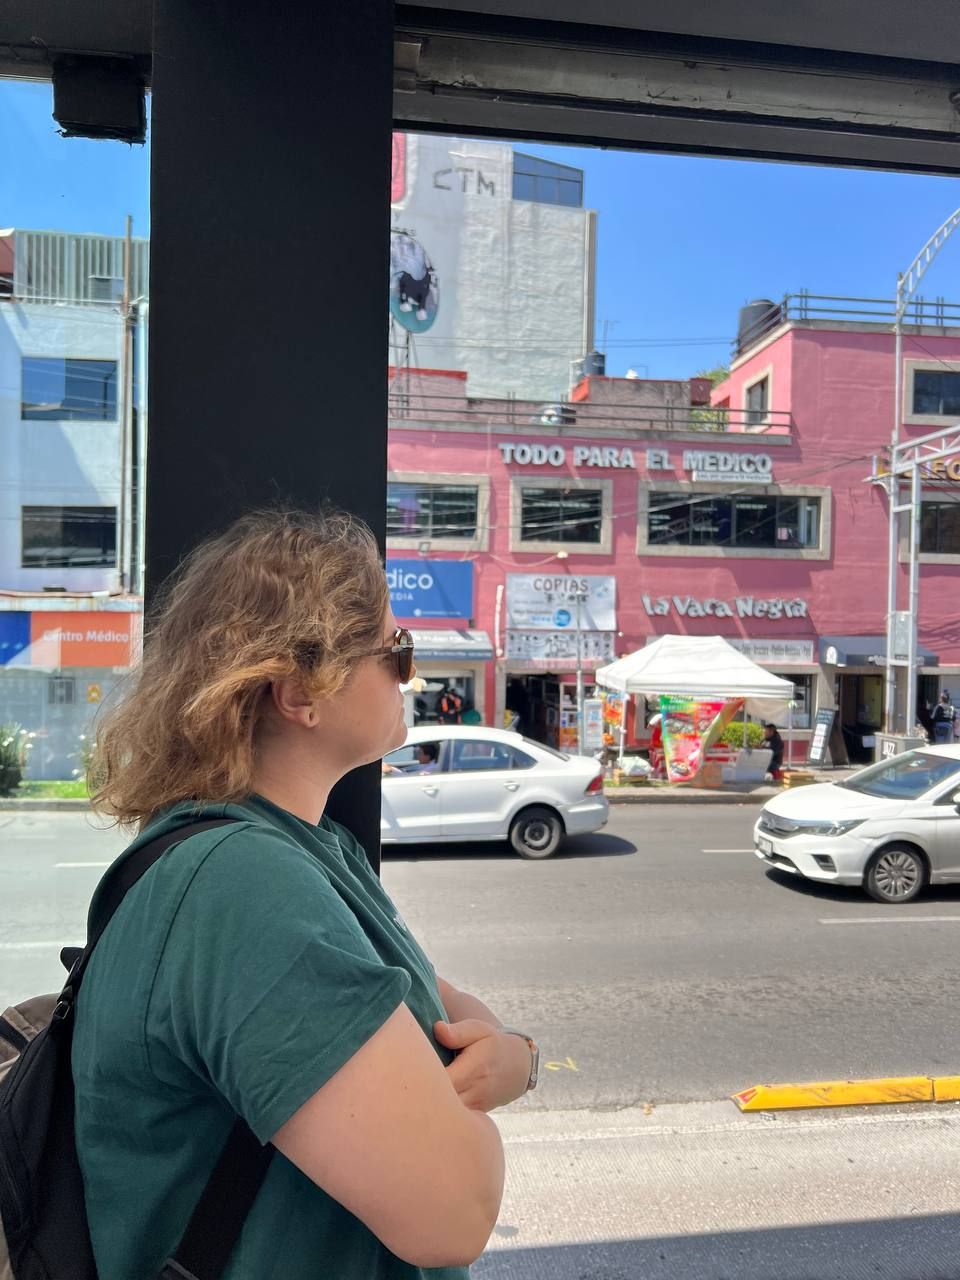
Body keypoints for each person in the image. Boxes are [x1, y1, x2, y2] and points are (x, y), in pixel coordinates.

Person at [78, 509, 536, 1279]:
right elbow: (455, 1212)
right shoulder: (243, 886)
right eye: (396, 651)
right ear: (300, 690)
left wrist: (517, 1055)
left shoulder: (305, 849)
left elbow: (433, 1000)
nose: (410, 675)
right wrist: (485, 1092)